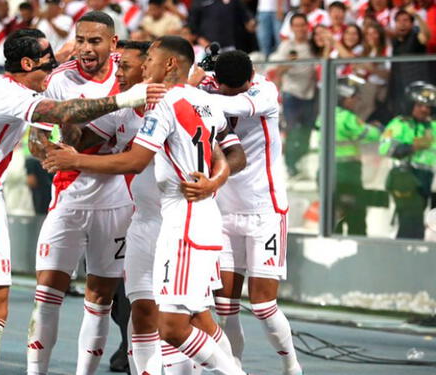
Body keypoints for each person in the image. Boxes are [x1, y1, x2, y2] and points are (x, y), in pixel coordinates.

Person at [0, 28, 165, 375]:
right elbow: (64, 113)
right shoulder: (12, 95)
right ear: (26, 63)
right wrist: (125, 99)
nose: (54, 69)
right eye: (47, 63)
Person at [44, 35, 247, 375]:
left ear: (165, 64)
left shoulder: (166, 104)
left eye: (142, 60)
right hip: (153, 221)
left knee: (179, 323)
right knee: (144, 313)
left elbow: (137, 160)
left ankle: (233, 370)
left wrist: (76, 160)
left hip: (182, 219)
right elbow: (210, 148)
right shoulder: (196, 101)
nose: (121, 70)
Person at [25, 12, 135, 375]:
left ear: (113, 43)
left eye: (95, 41)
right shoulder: (58, 80)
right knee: (46, 294)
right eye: (81, 40)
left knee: (101, 299)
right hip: (68, 194)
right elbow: (36, 139)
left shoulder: (130, 71)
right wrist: (49, 153)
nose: (85, 49)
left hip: (118, 199)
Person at [198, 50, 302, 375]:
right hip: (224, 210)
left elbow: (236, 106)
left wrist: (195, 93)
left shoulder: (264, 91)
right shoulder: (210, 89)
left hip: (264, 210)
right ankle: (235, 368)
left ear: (249, 78)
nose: (231, 94)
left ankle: (291, 365)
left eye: (237, 88)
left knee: (262, 305)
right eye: (224, 88)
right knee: (225, 307)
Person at [324, 76, 381, 235]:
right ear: (343, 97)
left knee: (334, 218)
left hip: (328, 170)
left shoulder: (325, 114)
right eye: (354, 97)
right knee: (356, 216)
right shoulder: (347, 118)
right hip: (347, 171)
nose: (357, 101)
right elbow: (370, 135)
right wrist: (376, 128)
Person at [380, 81, 436, 239]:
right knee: (410, 223)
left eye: (428, 106)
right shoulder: (399, 124)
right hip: (404, 177)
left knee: (418, 225)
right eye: (419, 105)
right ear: (410, 104)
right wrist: (413, 147)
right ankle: (404, 256)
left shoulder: (433, 127)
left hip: (427, 179)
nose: (424, 109)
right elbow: (385, 149)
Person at [270, 13, 317, 178]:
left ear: (307, 26)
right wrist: (289, 62)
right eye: (296, 25)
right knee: (292, 131)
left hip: (311, 93)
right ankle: (290, 165)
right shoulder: (286, 46)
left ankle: (301, 164)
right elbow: (277, 72)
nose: (300, 29)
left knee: (306, 131)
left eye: (302, 25)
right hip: (292, 93)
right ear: (292, 28)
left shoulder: (312, 45)